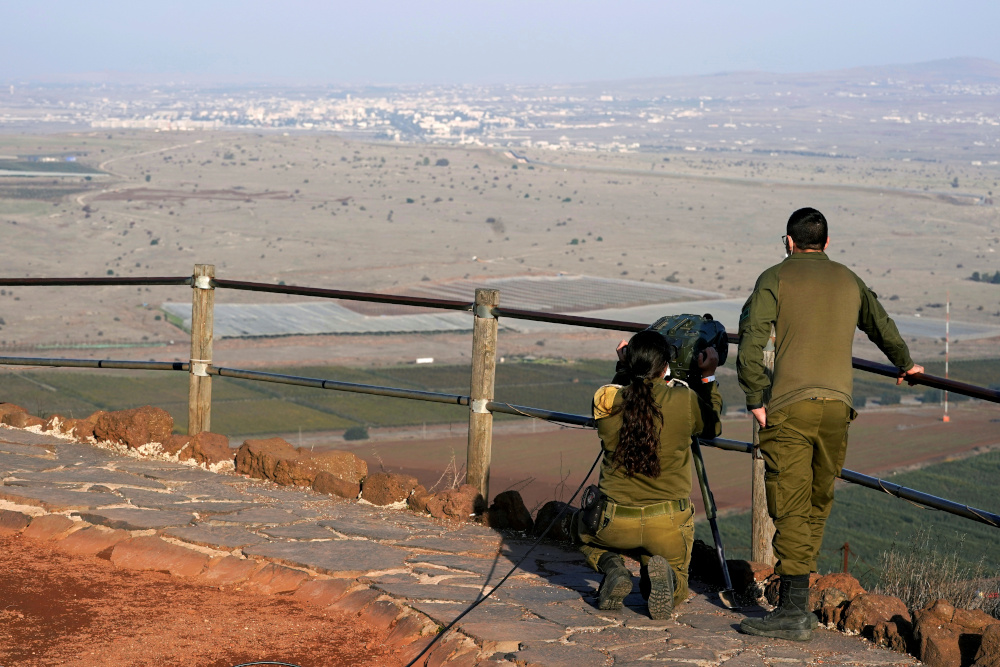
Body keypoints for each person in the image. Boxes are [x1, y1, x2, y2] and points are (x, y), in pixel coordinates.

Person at [737, 207, 923, 641]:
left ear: (789, 241)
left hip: (790, 407)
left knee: (789, 504)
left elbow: (751, 343)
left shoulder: (775, 277)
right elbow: (881, 324)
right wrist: (906, 363)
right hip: (838, 409)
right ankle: (799, 601)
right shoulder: (848, 279)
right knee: (818, 499)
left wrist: (753, 397)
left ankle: (791, 611)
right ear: (826, 242)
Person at [575, 330, 722, 619]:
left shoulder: (606, 398)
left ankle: (614, 568)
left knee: (580, 530)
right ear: (665, 366)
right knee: (678, 576)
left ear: (629, 361)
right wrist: (708, 378)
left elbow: (616, 395)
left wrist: (622, 367)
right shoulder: (684, 400)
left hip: (614, 521)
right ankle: (667, 579)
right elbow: (712, 426)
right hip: (667, 522)